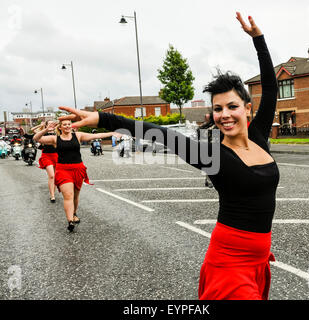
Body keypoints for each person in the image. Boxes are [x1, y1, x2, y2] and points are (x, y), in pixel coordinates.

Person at [58, 12, 279, 299]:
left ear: (247, 108)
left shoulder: (260, 137)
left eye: (232, 106)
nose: (224, 114)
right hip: (230, 263)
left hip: (258, 260)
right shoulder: (211, 155)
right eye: (217, 108)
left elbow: (271, 87)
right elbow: (161, 134)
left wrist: (258, 40)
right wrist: (102, 117)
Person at [33, 119, 118, 232]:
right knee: (68, 195)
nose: (67, 126)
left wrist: (112, 133)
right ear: (60, 127)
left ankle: (73, 213)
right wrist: (46, 130)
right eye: (65, 125)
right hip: (63, 170)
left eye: (69, 124)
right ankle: (70, 221)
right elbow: (36, 138)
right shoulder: (55, 139)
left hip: (78, 169)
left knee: (75, 196)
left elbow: (96, 135)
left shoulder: (78, 135)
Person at [31, 122, 58, 202]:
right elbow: (33, 130)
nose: (51, 124)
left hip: (56, 156)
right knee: (51, 176)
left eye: (52, 123)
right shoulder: (42, 133)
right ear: (46, 125)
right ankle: (52, 196)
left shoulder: (57, 132)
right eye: (49, 124)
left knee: (55, 176)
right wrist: (41, 126)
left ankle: (53, 192)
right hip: (46, 156)